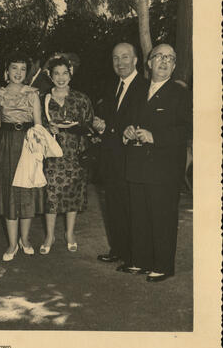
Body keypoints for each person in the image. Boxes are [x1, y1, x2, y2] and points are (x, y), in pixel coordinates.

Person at [124, 43, 192, 282]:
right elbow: (129, 119)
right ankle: (140, 261)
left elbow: (185, 129)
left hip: (164, 166)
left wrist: (156, 137)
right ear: (149, 63)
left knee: (162, 216)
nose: (164, 61)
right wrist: (128, 130)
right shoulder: (138, 90)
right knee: (140, 214)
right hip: (138, 163)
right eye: (159, 57)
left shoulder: (180, 93)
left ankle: (163, 266)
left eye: (170, 58)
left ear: (173, 66)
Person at [0, 51, 45, 261]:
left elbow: (38, 124)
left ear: (26, 73)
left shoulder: (33, 93)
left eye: (22, 69)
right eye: (14, 68)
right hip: (6, 144)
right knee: (10, 192)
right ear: (6, 71)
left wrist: (38, 150)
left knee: (26, 191)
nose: (18, 73)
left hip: (28, 143)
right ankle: (12, 244)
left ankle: (25, 240)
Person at [93, 43, 146, 268]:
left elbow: (137, 120)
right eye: (116, 58)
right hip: (112, 156)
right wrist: (98, 124)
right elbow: (109, 118)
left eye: (125, 57)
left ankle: (135, 256)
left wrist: (109, 127)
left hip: (133, 158)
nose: (120, 63)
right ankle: (119, 249)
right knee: (114, 205)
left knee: (132, 207)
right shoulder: (112, 86)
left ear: (135, 60)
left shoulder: (144, 86)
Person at [40, 56, 94, 254]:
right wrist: (49, 127)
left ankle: (70, 233)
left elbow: (89, 125)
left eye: (65, 73)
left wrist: (77, 127)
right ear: (50, 75)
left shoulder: (81, 98)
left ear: (70, 74)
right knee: (51, 195)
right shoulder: (43, 98)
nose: (61, 78)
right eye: (56, 73)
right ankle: (49, 235)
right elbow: (36, 125)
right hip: (51, 154)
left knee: (73, 192)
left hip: (75, 152)